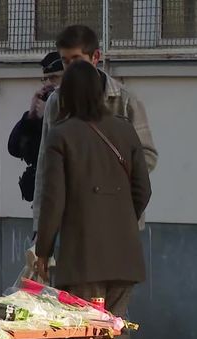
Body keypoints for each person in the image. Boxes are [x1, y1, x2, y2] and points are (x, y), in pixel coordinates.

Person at [34, 60, 152, 339]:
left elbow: (52, 200)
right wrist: (123, 219)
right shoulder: (124, 129)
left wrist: (42, 250)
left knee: (86, 329)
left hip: (84, 252)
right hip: (124, 253)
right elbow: (144, 188)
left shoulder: (61, 135)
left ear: (67, 96)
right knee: (117, 325)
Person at [33, 24, 158, 232]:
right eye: (65, 62)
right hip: (72, 219)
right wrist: (39, 224)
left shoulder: (125, 100)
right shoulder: (56, 101)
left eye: (76, 60)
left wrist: (106, 182)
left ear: (95, 57)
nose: (71, 68)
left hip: (116, 216)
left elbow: (148, 156)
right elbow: (45, 163)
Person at [8, 51, 63, 202]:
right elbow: (14, 149)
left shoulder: (77, 107)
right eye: (45, 79)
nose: (48, 84)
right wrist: (29, 118)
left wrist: (51, 114)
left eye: (54, 78)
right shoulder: (43, 106)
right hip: (44, 192)